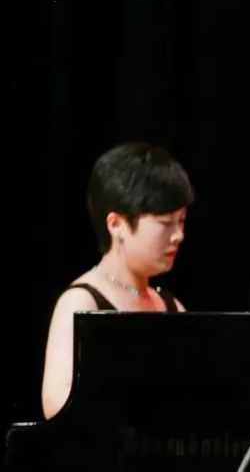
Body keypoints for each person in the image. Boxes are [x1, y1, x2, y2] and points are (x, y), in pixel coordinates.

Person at [41, 142, 194, 419]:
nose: (178, 235)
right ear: (116, 224)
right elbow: (57, 405)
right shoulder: (81, 302)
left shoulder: (172, 306)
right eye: (165, 223)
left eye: (181, 221)